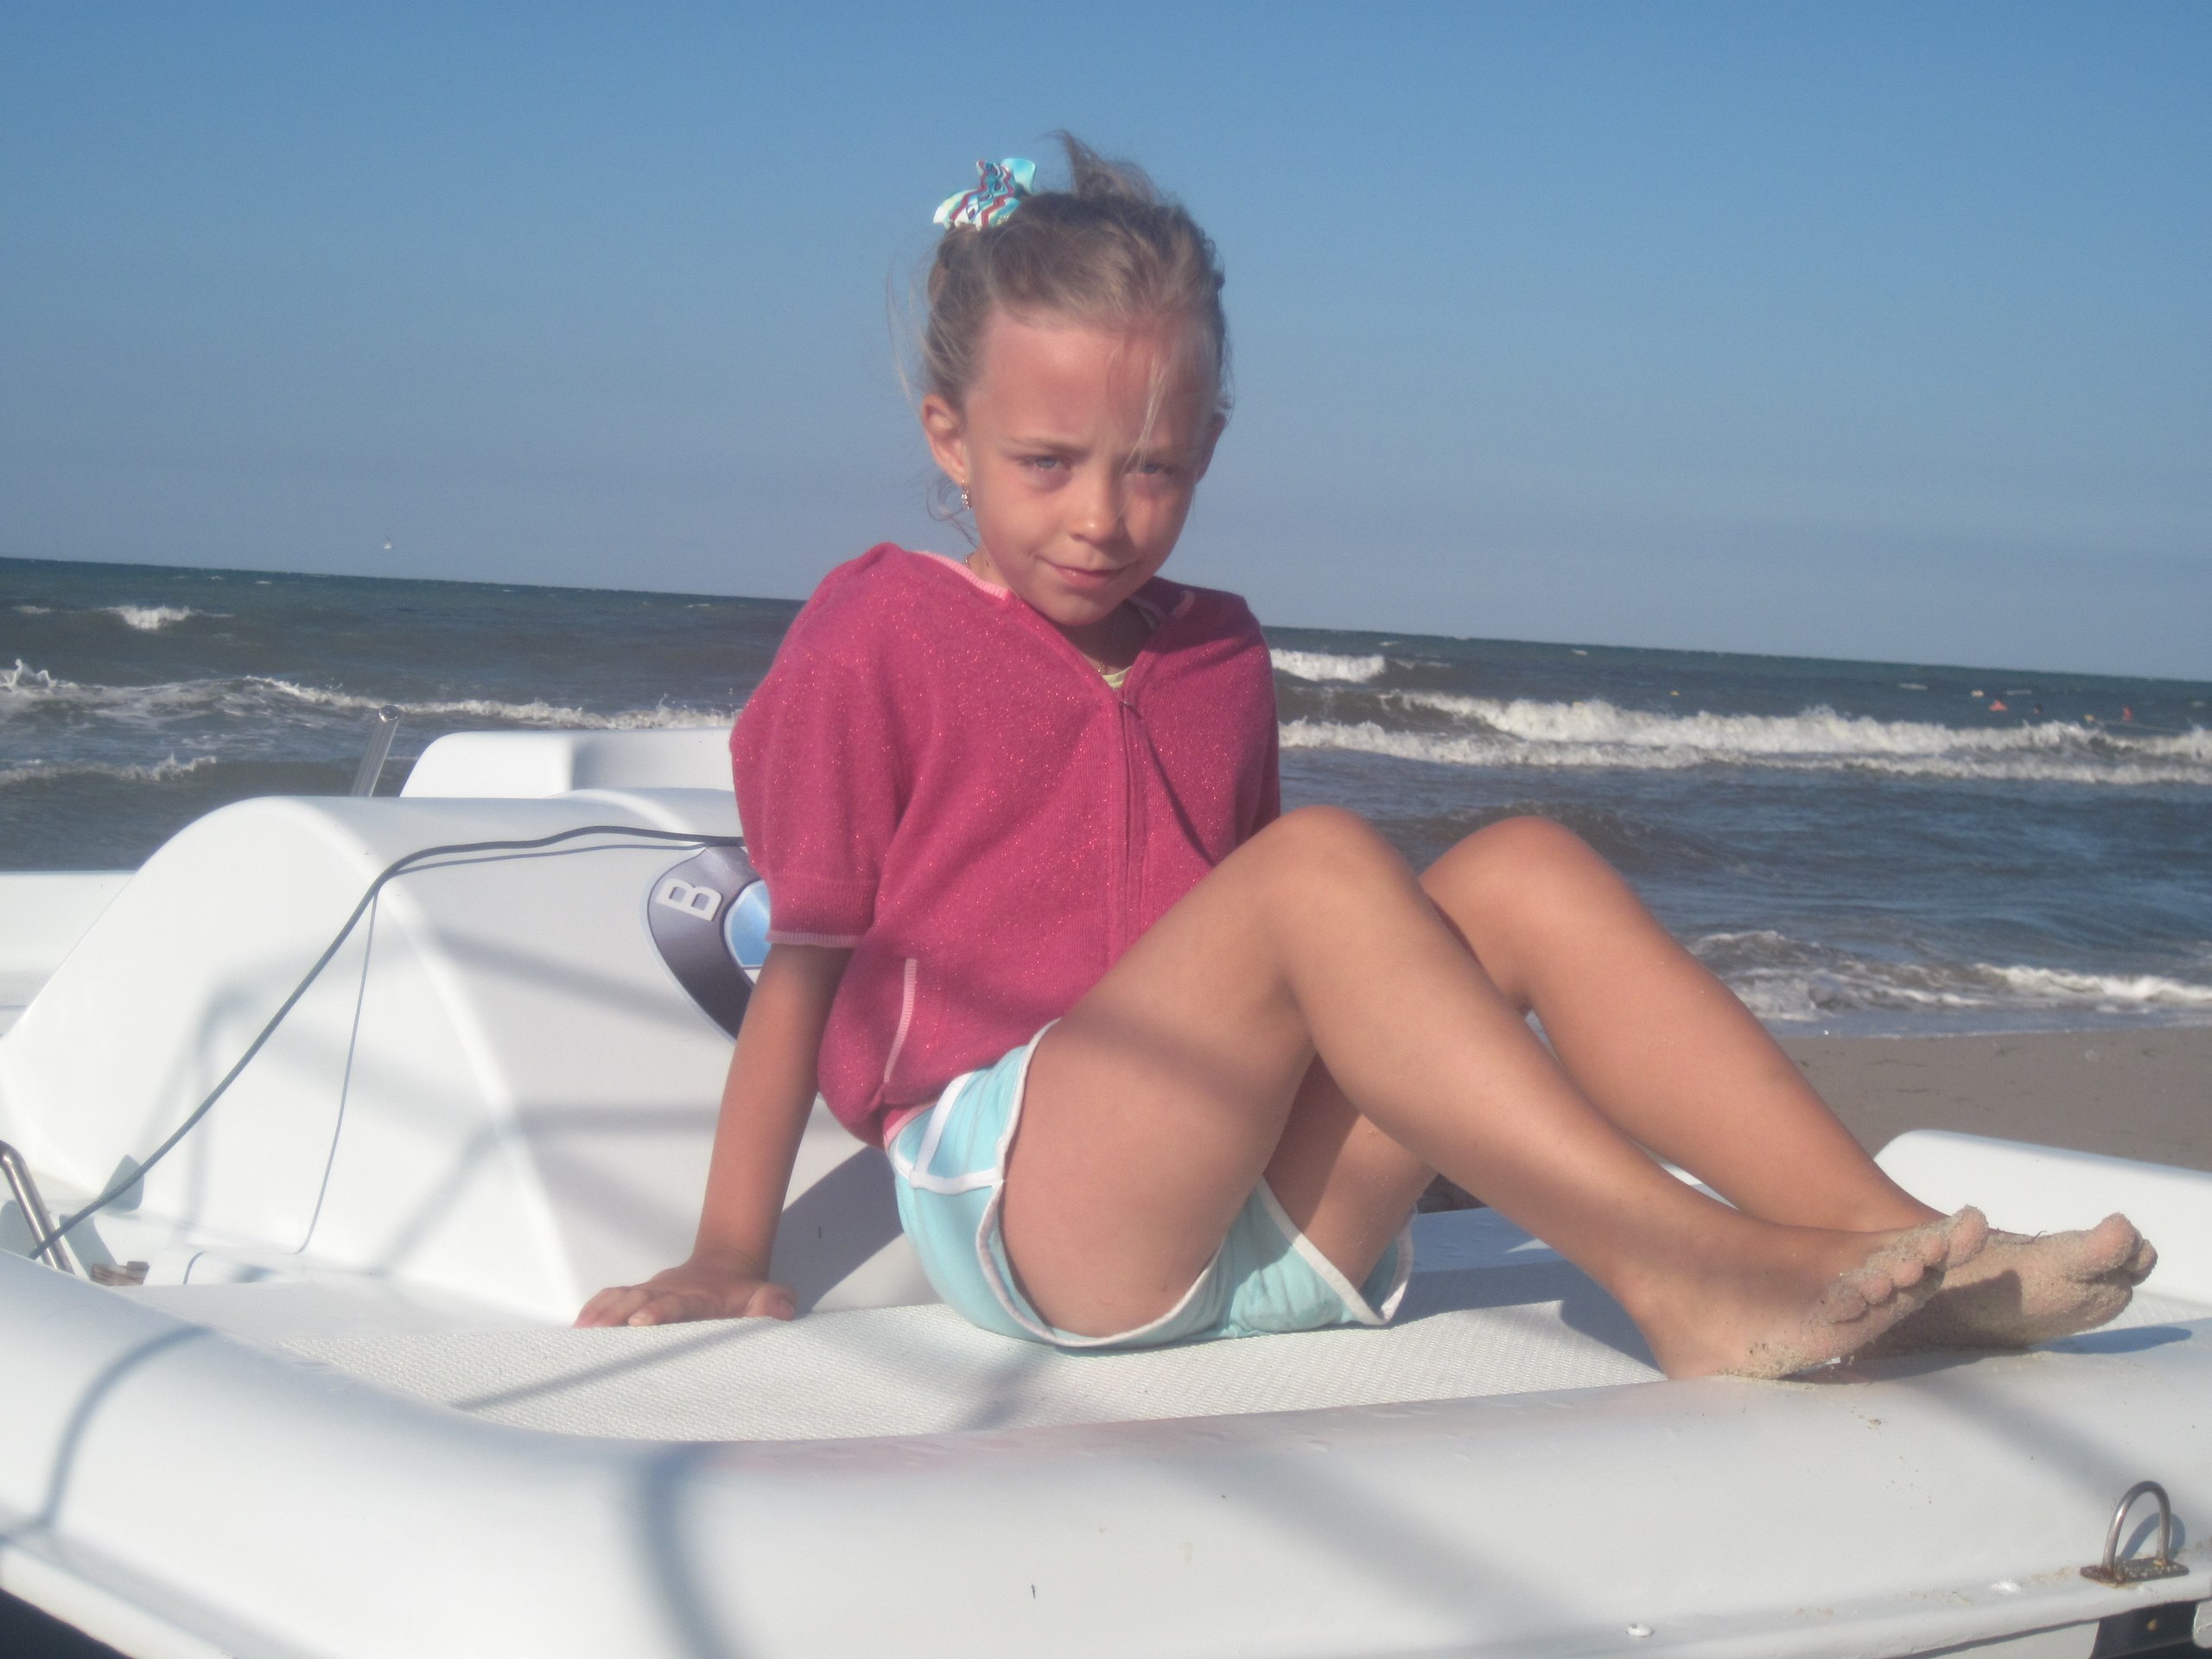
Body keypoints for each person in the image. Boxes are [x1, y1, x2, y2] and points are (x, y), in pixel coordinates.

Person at [579, 139, 2153, 1376]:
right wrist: (728, 1253)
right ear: (948, 435)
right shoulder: (876, 635)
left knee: (1524, 870)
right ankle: (1674, 1264)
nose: (1102, 516)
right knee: (1325, 867)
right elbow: (804, 965)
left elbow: (1306, 990)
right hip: (1036, 1206)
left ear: (1210, 446)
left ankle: (1904, 1242)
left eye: (1154, 469)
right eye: (1045, 463)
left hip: (1273, 1214)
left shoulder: (1217, 652)